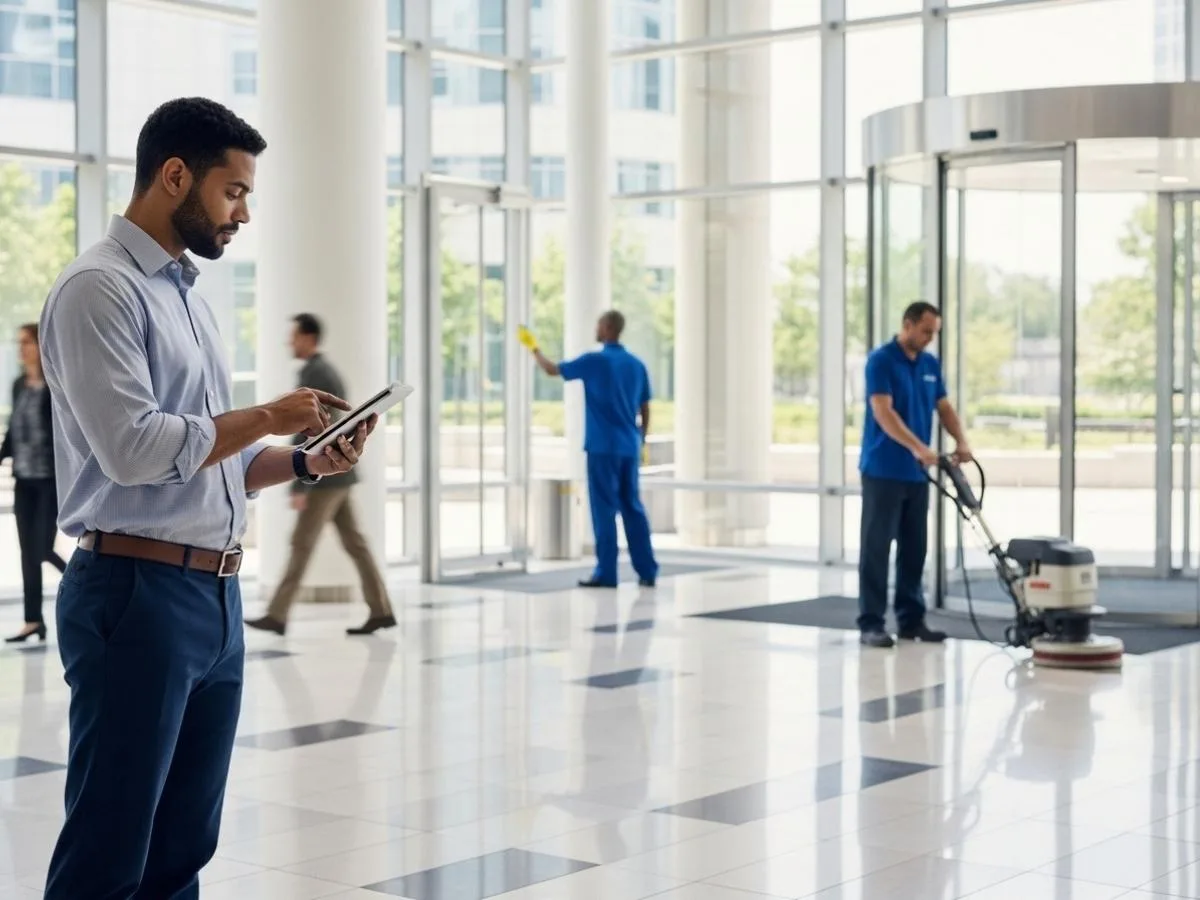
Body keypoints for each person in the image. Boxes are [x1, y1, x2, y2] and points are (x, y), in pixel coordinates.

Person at [37, 97, 378, 900]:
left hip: (213, 596)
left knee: (182, 846)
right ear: (175, 175)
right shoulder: (99, 290)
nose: (245, 214)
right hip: (137, 592)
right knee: (110, 845)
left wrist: (298, 460)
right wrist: (267, 414)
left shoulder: (186, 294)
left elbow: (206, 457)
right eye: (234, 192)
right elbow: (135, 450)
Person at [244, 313, 396, 637]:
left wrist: (299, 481)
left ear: (309, 338)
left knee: (302, 543)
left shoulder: (317, 373)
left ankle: (277, 614)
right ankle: (381, 610)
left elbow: (311, 432)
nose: (290, 342)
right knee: (355, 543)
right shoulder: (321, 371)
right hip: (337, 477)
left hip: (324, 477)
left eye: (294, 336)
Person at [857, 300, 972, 648]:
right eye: (925, 331)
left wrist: (962, 441)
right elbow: (883, 412)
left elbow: (944, 407)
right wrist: (917, 447)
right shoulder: (881, 360)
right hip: (883, 470)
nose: (929, 338)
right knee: (877, 548)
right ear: (906, 324)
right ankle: (871, 623)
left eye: (933, 332)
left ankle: (911, 620)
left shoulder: (929, 364)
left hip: (916, 474)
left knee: (914, 548)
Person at [518, 311, 658, 588]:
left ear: (606, 328)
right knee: (633, 508)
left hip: (603, 447)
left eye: (598, 325)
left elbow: (552, 369)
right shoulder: (636, 365)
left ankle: (606, 573)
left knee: (604, 509)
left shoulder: (595, 361)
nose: (596, 328)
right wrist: (641, 440)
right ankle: (647, 570)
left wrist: (533, 348)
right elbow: (645, 407)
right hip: (629, 446)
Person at [0, 323, 67, 643]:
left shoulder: (56, 387)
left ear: (42, 345)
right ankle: (32, 621)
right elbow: (14, 430)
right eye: (19, 342)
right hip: (24, 480)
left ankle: (88, 585)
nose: (21, 348)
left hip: (49, 481)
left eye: (26, 342)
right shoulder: (18, 385)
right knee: (28, 553)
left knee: (41, 548)